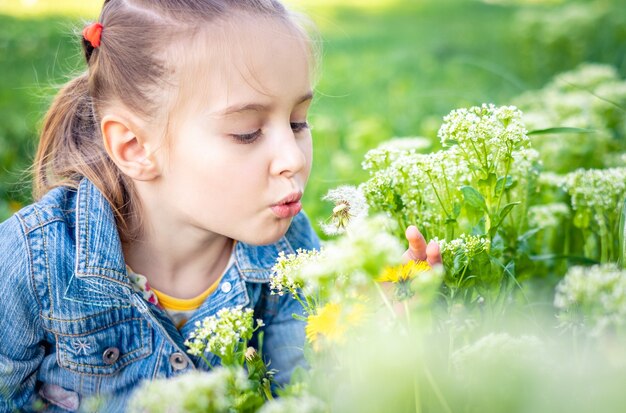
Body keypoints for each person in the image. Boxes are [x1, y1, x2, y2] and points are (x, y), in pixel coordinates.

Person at [0, 0, 441, 411]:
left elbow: (300, 389)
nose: (293, 158)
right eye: (247, 132)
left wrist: (362, 331)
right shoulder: (34, 261)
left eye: (297, 122)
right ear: (134, 147)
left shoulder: (290, 246)